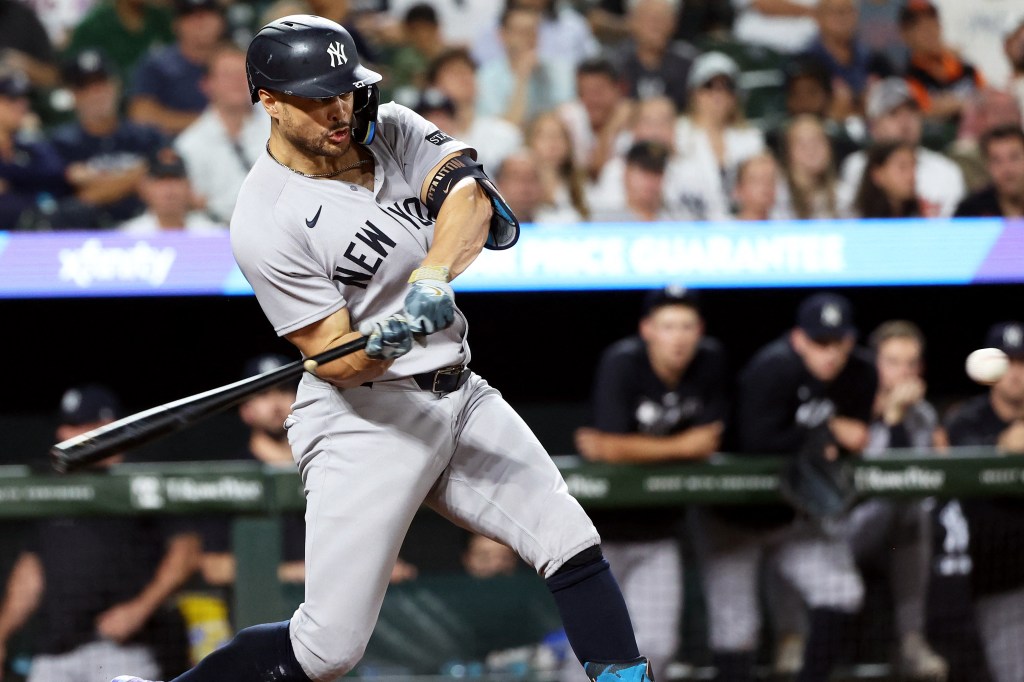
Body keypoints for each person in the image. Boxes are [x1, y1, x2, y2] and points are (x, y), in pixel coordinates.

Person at [113, 15, 655, 682]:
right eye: (317, 98)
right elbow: (335, 358)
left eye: (343, 91)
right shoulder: (264, 217)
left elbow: (470, 202)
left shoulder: (389, 126)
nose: (338, 110)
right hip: (365, 417)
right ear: (270, 102)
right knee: (327, 650)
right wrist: (390, 337)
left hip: (460, 394)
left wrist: (430, 277)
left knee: (571, 543)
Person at [689, 291, 872, 682]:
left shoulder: (861, 372)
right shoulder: (771, 370)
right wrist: (825, 432)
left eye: (837, 342)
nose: (830, 354)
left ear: (850, 341)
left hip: (791, 515)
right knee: (736, 628)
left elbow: (857, 438)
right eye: (819, 342)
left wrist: (829, 438)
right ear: (798, 339)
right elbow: (758, 443)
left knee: (842, 591)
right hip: (732, 518)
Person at [768, 320, 950, 677]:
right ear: (874, 363)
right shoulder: (846, 398)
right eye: (894, 361)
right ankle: (791, 637)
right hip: (833, 523)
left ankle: (911, 639)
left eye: (911, 363)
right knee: (786, 535)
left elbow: (913, 482)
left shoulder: (922, 414)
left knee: (915, 514)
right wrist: (884, 415)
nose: (903, 372)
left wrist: (896, 418)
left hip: (886, 530)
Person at [572, 286, 727, 679]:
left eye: (687, 326)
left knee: (658, 645)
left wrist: (624, 447)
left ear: (700, 330)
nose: (678, 337)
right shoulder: (623, 362)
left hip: (659, 533)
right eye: (668, 326)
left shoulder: (709, 361)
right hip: (597, 537)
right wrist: (682, 446)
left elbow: (708, 441)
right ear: (648, 329)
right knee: (589, 652)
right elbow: (602, 449)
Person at [0, 385, 201, 682]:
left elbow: (187, 549)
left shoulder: (138, 480)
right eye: (67, 427)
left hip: (121, 649)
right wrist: (2, 632)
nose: (66, 436)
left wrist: (139, 609)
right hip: (54, 652)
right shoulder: (52, 488)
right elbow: (32, 570)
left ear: (107, 427)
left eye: (80, 427)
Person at [944, 321, 1024, 682]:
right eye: (1007, 362)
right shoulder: (966, 421)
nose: (1016, 373)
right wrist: (1003, 446)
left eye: (1023, 362)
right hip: (998, 581)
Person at [51, 48, 165, 230]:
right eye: (85, 87)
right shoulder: (59, 144)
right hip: (83, 240)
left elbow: (167, 187)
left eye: (102, 83)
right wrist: (139, 173)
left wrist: (97, 185)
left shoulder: (147, 137)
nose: (96, 93)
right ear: (73, 95)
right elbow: (77, 201)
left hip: (147, 234)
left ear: (116, 85)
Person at [839, 77, 965, 217]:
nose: (905, 122)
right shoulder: (858, 165)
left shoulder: (945, 170)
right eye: (893, 113)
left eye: (911, 111)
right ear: (874, 126)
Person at [174, 42, 268, 224]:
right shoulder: (189, 145)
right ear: (207, 85)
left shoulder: (282, 125)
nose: (237, 82)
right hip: (219, 236)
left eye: (244, 74)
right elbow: (194, 205)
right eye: (227, 75)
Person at [674, 51, 766, 222]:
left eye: (727, 87)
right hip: (685, 227)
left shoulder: (751, 139)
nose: (718, 94)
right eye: (709, 85)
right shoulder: (677, 133)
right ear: (694, 93)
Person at [128, 0, 226, 136]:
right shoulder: (157, 64)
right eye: (190, 15)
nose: (200, 22)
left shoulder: (241, 60)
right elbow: (141, 115)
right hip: (177, 146)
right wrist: (208, 122)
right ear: (175, 24)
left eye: (207, 14)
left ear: (221, 21)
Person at [423, 48, 523, 175]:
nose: (464, 77)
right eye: (455, 72)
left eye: (469, 71)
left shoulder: (504, 133)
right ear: (434, 86)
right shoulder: (427, 140)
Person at [474, 5, 576, 128]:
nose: (528, 38)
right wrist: (522, 79)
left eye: (533, 31)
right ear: (502, 35)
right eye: (521, 32)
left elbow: (565, 124)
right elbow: (502, 132)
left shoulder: (559, 70)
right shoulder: (486, 77)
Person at [0, 68, 67, 231]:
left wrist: (10, 176)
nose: (21, 105)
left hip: (30, 229)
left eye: (24, 99)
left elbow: (55, 173)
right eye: (12, 99)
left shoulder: (28, 142)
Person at [900, 0, 985, 124]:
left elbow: (987, 99)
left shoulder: (966, 68)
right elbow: (921, 113)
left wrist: (956, 104)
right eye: (921, 27)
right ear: (906, 35)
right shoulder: (907, 78)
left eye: (934, 23)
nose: (930, 31)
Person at [609, 0, 698, 113]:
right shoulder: (615, 63)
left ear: (674, 23)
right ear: (632, 22)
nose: (655, 25)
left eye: (662, 18)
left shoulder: (688, 64)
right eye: (648, 18)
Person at [64, 0, 175, 87]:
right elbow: (73, 75)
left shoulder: (161, 18)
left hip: (158, 95)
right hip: (110, 103)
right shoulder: (93, 25)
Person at [557, 57, 633, 180]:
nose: (592, 99)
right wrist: (612, 126)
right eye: (585, 91)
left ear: (617, 90)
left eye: (598, 91)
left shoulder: (631, 117)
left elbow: (600, 173)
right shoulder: (569, 116)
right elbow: (592, 173)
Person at [119, 147, 221, 234]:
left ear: (189, 186)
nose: (169, 190)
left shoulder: (211, 234)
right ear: (145, 188)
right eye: (160, 181)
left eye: (176, 180)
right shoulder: (128, 235)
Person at [776, 114, 841, 220]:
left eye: (817, 142)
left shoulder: (844, 195)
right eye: (802, 144)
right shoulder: (775, 194)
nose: (811, 150)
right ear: (788, 152)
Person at [954, 125, 1024, 218]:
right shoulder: (970, 210)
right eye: (996, 160)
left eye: (1014, 157)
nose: (1007, 169)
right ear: (987, 165)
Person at [850, 140, 921, 219]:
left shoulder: (925, 215)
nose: (911, 175)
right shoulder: (854, 221)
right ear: (877, 174)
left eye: (913, 167)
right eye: (902, 167)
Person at [732, 152, 782, 221]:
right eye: (756, 181)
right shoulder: (722, 228)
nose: (765, 186)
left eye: (770, 180)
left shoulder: (788, 226)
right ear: (738, 189)